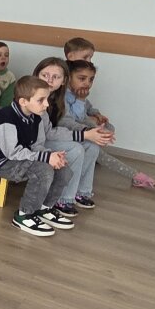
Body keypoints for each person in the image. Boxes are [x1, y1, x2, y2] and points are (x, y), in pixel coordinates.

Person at [0, 75, 85, 237]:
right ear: (23, 101)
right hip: (2, 162)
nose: (46, 104)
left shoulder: (35, 116)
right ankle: (24, 215)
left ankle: (44, 208)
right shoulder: (6, 118)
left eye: (47, 99)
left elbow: (36, 145)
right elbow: (12, 152)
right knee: (43, 171)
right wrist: (46, 158)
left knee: (63, 169)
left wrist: (51, 155)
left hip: (22, 157)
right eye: (41, 100)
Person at [63, 38, 155, 190]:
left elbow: (87, 106)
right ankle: (135, 175)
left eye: (90, 58)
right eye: (86, 57)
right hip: (69, 129)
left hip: (80, 125)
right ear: (70, 57)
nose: (89, 61)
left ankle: (92, 155)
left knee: (109, 128)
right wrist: (90, 124)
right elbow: (71, 120)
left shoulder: (78, 83)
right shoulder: (64, 88)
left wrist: (96, 114)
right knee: (98, 140)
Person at [33, 57, 113, 213]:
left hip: (51, 137)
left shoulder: (58, 98)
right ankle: (62, 199)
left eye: (56, 77)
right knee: (76, 149)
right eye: (45, 75)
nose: (50, 80)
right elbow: (47, 133)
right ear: (36, 75)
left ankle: (81, 191)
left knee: (91, 146)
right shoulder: (34, 97)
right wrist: (83, 134)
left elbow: (65, 122)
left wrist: (89, 132)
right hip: (35, 143)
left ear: (64, 80)